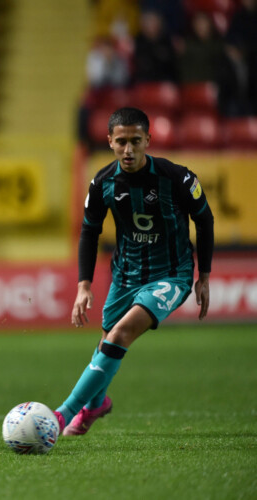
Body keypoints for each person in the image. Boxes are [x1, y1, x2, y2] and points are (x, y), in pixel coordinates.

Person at [54, 107, 214, 436]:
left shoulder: (177, 178)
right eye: (121, 142)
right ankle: (96, 405)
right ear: (110, 142)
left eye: (136, 141)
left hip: (171, 274)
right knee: (106, 345)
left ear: (148, 140)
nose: (128, 150)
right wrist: (84, 284)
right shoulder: (102, 183)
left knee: (119, 335)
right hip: (125, 275)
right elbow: (89, 231)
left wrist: (205, 276)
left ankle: (61, 415)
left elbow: (205, 219)